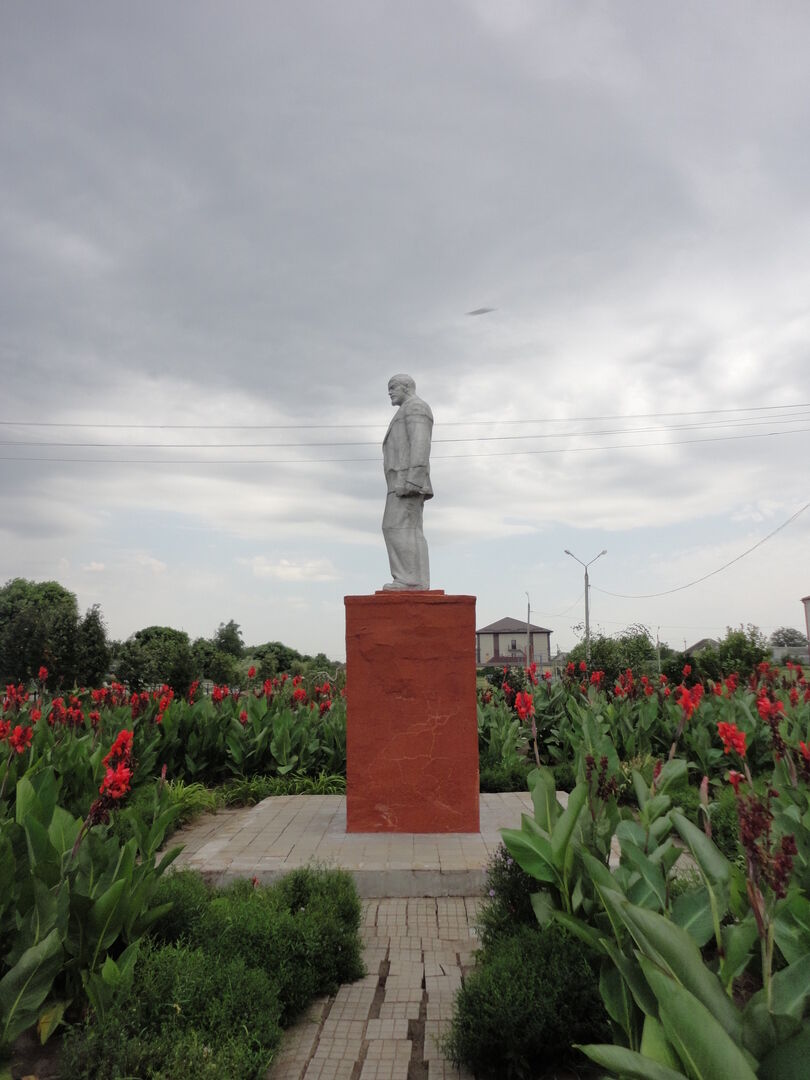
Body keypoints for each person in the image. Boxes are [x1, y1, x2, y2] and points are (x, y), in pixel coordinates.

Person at [381, 374, 433, 590]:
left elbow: (420, 442)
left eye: (393, 387)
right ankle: (416, 579)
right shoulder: (408, 409)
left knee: (395, 526)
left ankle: (409, 579)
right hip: (401, 480)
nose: (390, 392)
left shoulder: (415, 407)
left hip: (406, 481)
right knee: (408, 528)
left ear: (406, 387)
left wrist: (414, 479)